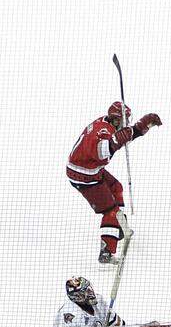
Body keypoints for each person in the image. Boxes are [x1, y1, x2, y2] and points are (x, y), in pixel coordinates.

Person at [67, 101, 162, 264]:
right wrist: (117, 140)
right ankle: (107, 251)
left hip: (92, 170)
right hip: (84, 177)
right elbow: (101, 153)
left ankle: (119, 225)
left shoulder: (107, 124)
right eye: (124, 121)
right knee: (110, 210)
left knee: (116, 187)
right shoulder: (101, 131)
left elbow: (121, 136)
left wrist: (141, 127)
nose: (126, 123)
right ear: (116, 120)